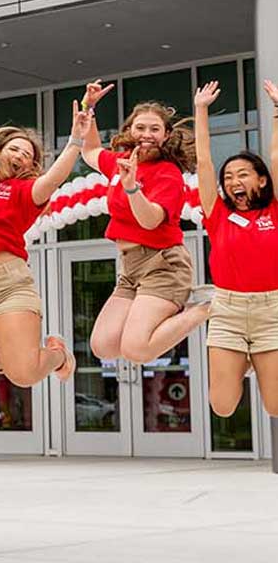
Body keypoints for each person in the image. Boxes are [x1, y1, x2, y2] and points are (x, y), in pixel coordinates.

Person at [0, 57, 88, 396]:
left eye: (28, 154)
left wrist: (76, 142)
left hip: (9, 283)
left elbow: (54, 178)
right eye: (15, 148)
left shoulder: (27, 192)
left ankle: (57, 353)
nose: (21, 155)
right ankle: (1, 349)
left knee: (23, 374)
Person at [80, 80, 210, 364]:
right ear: (129, 131)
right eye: (141, 128)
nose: (147, 135)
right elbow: (89, 151)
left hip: (163, 264)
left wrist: (131, 188)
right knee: (103, 346)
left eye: (155, 129)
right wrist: (89, 107)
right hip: (130, 267)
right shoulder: (121, 162)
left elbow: (150, 221)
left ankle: (204, 310)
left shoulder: (168, 173)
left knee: (136, 350)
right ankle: (175, 308)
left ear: (165, 135)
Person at [194, 79, 278, 417]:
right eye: (229, 177)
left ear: (261, 179)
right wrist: (201, 110)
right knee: (223, 406)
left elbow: (275, 155)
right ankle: (243, 361)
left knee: (275, 407)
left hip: (272, 312)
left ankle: (254, 359)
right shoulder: (219, 214)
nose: (233, 182)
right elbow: (203, 163)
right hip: (227, 311)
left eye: (242, 174)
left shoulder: (274, 209)